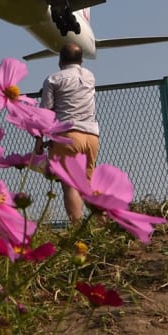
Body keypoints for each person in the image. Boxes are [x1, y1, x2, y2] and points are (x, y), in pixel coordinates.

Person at [39, 42, 99, 224]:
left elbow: (46, 112)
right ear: (81, 59)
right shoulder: (89, 77)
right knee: (87, 185)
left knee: (70, 184)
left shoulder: (53, 79)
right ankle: (103, 224)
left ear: (60, 60)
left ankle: (77, 230)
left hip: (67, 135)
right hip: (91, 135)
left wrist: (40, 141)